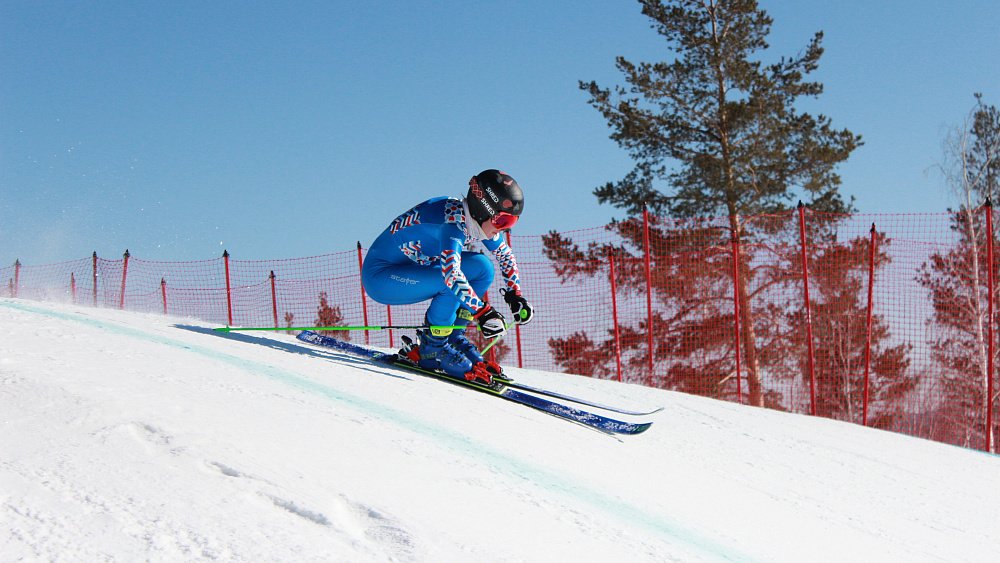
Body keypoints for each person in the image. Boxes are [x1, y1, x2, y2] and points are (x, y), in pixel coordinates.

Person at [361, 169, 534, 384]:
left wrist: (515, 295)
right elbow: (452, 275)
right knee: (450, 280)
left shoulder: (473, 218)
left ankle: (451, 336)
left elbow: (505, 255)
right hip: (382, 277)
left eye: (511, 223)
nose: (504, 230)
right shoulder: (452, 224)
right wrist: (483, 312)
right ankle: (433, 348)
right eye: (502, 222)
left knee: (482, 268)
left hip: (411, 267)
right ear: (484, 209)